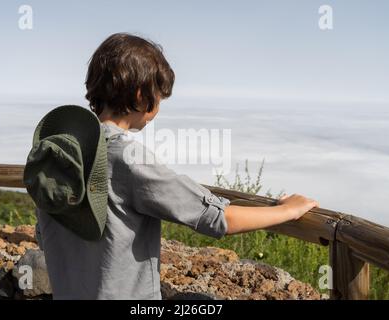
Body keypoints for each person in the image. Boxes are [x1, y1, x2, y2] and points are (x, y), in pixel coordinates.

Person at [35, 32, 319, 299]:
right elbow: (217, 218)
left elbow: (46, 236)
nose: (158, 107)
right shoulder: (127, 158)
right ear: (140, 96)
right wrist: (288, 209)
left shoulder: (59, 151)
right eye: (158, 97)